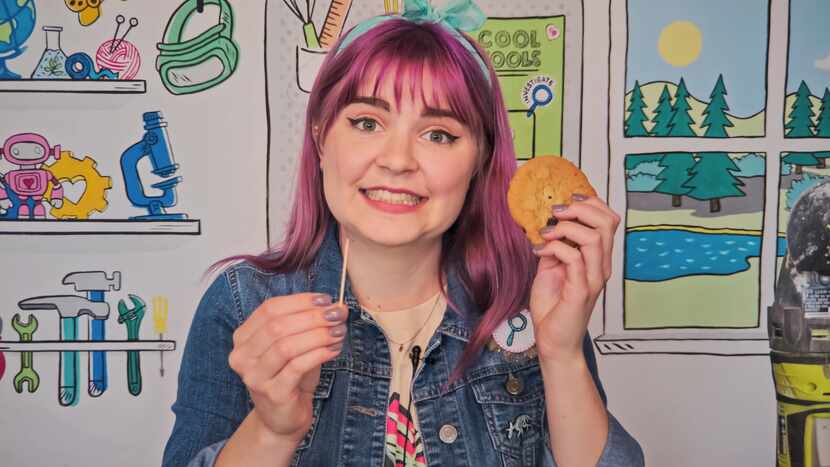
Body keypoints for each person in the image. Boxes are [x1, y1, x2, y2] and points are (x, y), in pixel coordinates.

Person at [162, 1, 644, 466]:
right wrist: (272, 430)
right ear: (320, 137)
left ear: (480, 159)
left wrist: (561, 353)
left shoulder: (530, 301)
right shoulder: (243, 302)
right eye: (367, 122)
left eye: (438, 134)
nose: (397, 161)